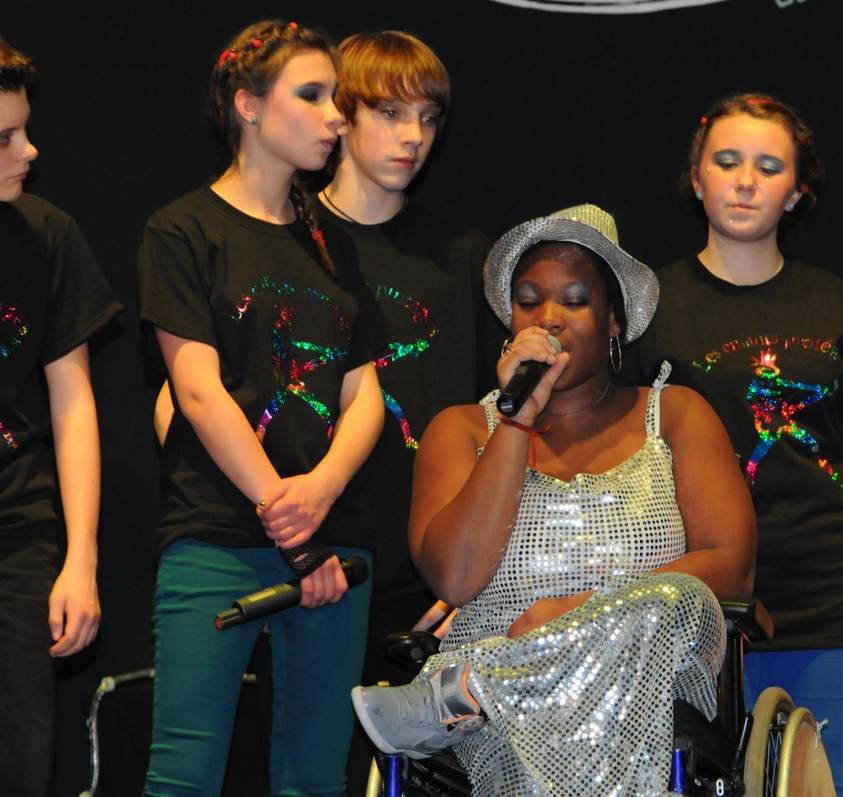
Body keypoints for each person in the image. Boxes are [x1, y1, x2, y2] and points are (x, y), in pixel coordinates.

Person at [353, 204, 756, 795]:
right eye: (529, 301)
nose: (548, 318)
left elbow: (732, 566)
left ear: (614, 320)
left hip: (648, 689)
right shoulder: (462, 430)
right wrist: (516, 423)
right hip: (501, 725)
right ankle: (490, 691)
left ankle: (470, 689)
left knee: (680, 596)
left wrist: (577, 614)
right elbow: (455, 579)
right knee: (543, 723)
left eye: (575, 300)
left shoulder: (676, 415)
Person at [634, 93, 843, 796]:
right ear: (696, 177)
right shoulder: (646, 311)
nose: (745, 181)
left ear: (796, 192)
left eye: (768, 168)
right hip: (689, 615)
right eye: (726, 162)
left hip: (828, 613)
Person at [137, 19, 384, 796]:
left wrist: (323, 493)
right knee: (185, 772)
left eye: (336, 98)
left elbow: (364, 392)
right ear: (248, 105)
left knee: (315, 777)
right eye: (311, 95)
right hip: (218, 533)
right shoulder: (183, 230)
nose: (335, 116)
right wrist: (287, 516)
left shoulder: (333, 244)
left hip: (332, 542)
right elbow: (197, 389)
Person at [316, 29, 493, 659]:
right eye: (390, 113)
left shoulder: (462, 255)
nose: (414, 136)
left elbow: (497, 416)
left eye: (428, 117)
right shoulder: (289, 244)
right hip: (313, 556)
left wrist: (475, 574)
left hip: (429, 571)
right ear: (341, 114)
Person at [0, 38, 120, 797]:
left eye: (24, 129)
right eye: (4, 138)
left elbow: (73, 401)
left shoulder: (46, 236)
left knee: (23, 756)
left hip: (17, 529)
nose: (29, 150)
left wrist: (80, 558)